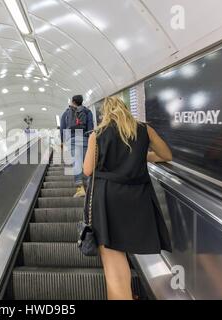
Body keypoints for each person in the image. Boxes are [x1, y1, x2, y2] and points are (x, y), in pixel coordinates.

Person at [83, 96, 172, 300]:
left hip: (107, 198)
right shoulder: (144, 129)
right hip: (137, 198)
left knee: (113, 258)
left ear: (104, 113)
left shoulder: (97, 134)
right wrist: (143, 156)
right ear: (125, 109)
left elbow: (88, 170)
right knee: (121, 250)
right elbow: (166, 155)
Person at [60, 95, 94, 197]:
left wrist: (63, 142)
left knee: (76, 162)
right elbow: (91, 127)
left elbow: (62, 128)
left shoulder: (66, 113)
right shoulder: (87, 112)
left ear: (72, 101)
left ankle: (80, 189)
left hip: (72, 139)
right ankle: (91, 187)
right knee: (87, 162)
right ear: (82, 102)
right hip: (84, 138)